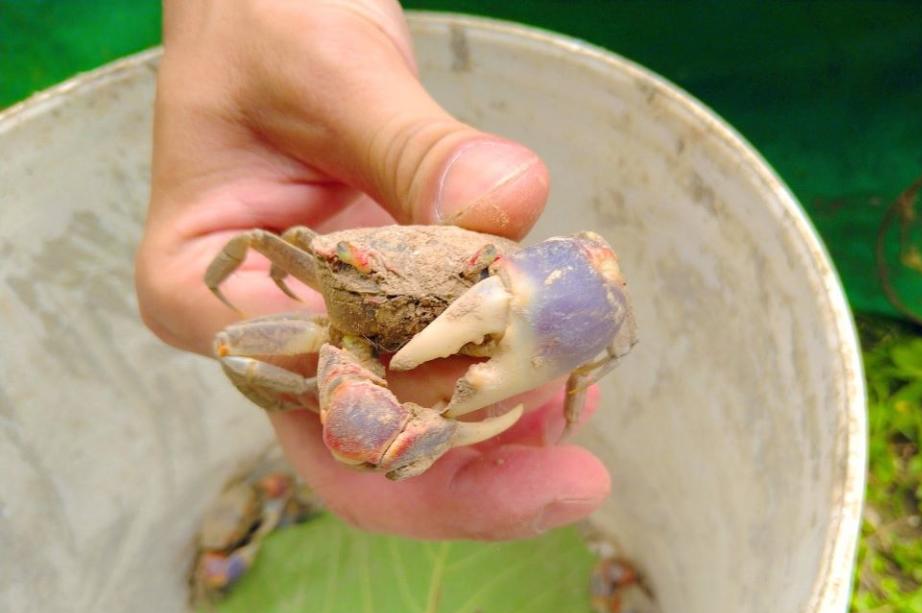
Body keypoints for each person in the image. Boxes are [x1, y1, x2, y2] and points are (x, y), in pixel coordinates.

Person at [136, 0, 610, 540]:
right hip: (354, 331)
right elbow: (243, 323)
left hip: (502, 295)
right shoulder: (332, 313)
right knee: (234, 347)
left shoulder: (502, 266)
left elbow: (598, 283)